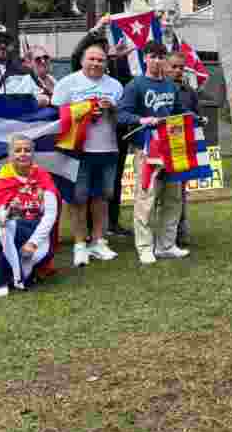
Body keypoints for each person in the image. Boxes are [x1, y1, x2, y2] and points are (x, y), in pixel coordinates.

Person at [52, 43, 124, 267]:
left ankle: (99, 241)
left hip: (108, 148)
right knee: (78, 199)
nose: (96, 63)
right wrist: (83, 110)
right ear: (82, 60)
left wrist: (112, 108)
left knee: (102, 197)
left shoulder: (115, 85)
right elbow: (55, 115)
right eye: (91, 59)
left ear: (106, 62)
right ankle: (80, 244)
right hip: (77, 150)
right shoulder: (67, 83)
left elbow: (123, 118)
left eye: (101, 60)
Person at [117, 41, 187, 264]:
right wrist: (141, 119)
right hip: (146, 150)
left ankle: (166, 244)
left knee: (173, 198)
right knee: (146, 198)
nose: (157, 61)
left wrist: (191, 117)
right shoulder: (135, 85)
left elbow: (177, 111)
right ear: (145, 58)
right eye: (153, 56)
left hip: (171, 148)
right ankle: (145, 247)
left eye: (161, 57)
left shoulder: (171, 86)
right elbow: (121, 114)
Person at [0, 134, 60, 298]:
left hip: (36, 231)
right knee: (3, 229)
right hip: (10, 230)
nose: (23, 154)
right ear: (10, 155)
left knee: (31, 260)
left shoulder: (43, 176)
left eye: (27, 150)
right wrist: (5, 214)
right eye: (17, 150)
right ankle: (0, 281)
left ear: (33, 154)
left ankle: (22, 272)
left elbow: (50, 214)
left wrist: (33, 243)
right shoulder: (1, 180)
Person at [167, 50, 200, 248]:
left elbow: (196, 117)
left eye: (181, 67)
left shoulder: (190, 92)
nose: (178, 71)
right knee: (161, 194)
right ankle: (163, 233)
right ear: (166, 67)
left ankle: (180, 230)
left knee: (180, 192)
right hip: (162, 147)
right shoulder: (161, 88)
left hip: (182, 148)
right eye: (174, 67)